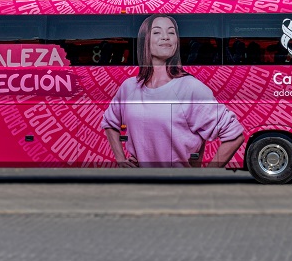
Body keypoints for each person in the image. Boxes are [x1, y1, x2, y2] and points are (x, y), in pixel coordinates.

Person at [102, 15, 244, 168]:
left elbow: (234, 135)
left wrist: (207, 175)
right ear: (144, 39)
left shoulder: (191, 88)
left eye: (171, 32)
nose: (165, 37)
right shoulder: (129, 87)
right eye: (157, 32)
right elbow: (110, 122)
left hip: (177, 187)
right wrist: (121, 159)